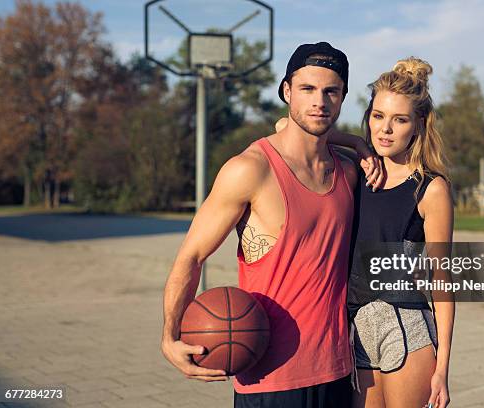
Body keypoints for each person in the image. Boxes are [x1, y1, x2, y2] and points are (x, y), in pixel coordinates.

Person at [161, 41, 380, 408]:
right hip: (270, 378)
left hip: (339, 371)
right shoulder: (249, 170)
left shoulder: (348, 171)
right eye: (307, 89)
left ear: (342, 98)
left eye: (331, 91)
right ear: (286, 91)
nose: (319, 101)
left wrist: (357, 143)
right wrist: (169, 336)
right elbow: (191, 256)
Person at [309, 57, 455, 408]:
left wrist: (444, 368)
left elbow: (441, 280)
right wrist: (358, 145)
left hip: (407, 331)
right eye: (378, 116)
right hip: (357, 330)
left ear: (418, 125)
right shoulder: (356, 171)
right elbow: (287, 124)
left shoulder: (430, 189)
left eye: (399, 119)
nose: (386, 129)